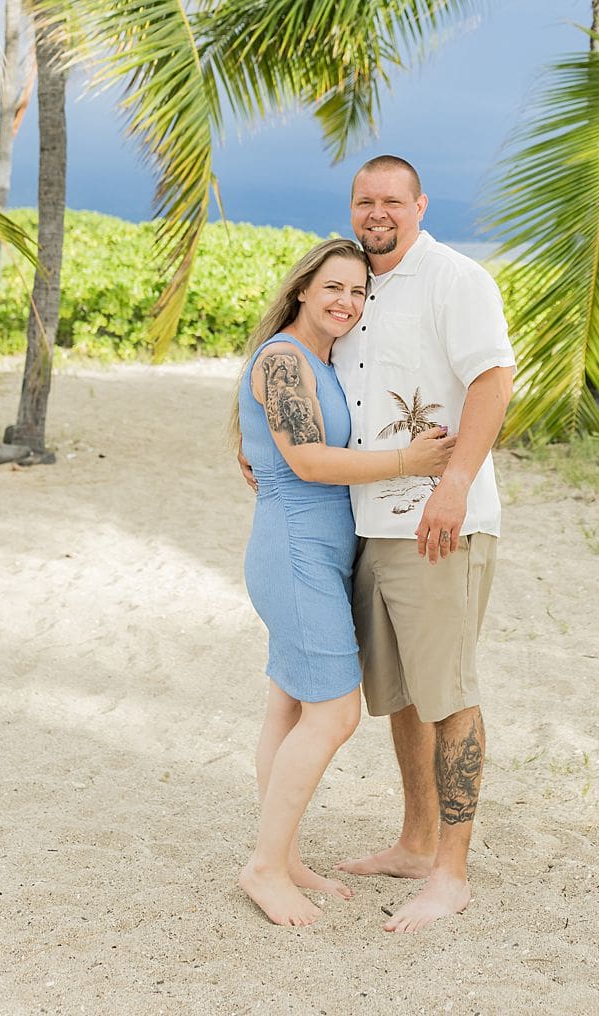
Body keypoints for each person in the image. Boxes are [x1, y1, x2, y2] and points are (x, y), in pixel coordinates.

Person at [231, 238, 457, 928]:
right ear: (302, 288)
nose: (346, 302)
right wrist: (408, 460)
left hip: (318, 551)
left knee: (291, 709)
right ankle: (266, 868)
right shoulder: (283, 359)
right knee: (334, 713)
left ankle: (284, 855)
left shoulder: (321, 362)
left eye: (359, 292)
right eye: (333, 287)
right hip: (295, 551)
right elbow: (303, 459)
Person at [331, 155, 514, 934]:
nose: (378, 212)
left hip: (441, 524)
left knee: (449, 697)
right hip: (369, 523)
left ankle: (452, 870)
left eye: (392, 201)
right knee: (401, 696)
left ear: (419, 205)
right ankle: (414, 841)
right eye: (365, 200)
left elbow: (494, 378)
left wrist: (455, 482)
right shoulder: (350, 284)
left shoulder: (455, 279)